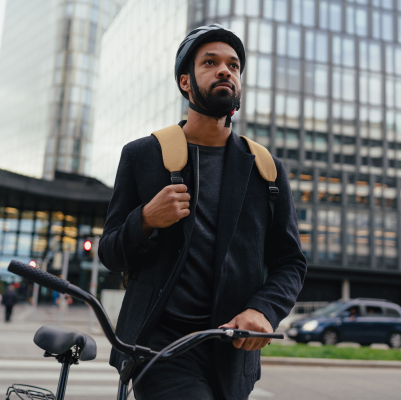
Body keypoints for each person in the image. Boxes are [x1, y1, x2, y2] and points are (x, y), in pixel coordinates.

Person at [98, 24, 307, 400]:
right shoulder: (142, 156)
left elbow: (291, 262)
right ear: (185, 82)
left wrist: (264, 310)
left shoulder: (266, 168)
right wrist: (145, 220)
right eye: (210, 62)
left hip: (231, 352)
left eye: (234, 65)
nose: (225, 70)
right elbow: (110, 253)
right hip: (157, 344)